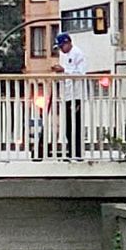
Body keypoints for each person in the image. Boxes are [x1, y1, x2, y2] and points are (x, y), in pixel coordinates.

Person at [49, 31, 89, 160]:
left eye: (62, 46)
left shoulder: (78, 53)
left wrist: (64, 70)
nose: (61, 49)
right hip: (67, 94)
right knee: (67, 125)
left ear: (68, 43)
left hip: (76, 95)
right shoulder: (64, 55)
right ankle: (70, 150)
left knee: (75, 124)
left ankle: (77, 152)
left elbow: (81, 73)